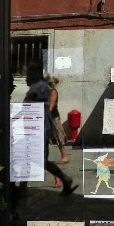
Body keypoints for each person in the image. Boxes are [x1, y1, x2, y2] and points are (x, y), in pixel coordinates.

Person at [25, 63, 77, 195]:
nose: (25, 77)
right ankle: (64, 179)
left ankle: (22, 188)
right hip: (38, 127)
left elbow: (43, 109)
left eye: (27, 74)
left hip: (39, 128)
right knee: (35, 158)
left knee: (35, 158)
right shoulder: (36, 88)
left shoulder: (40, 88)